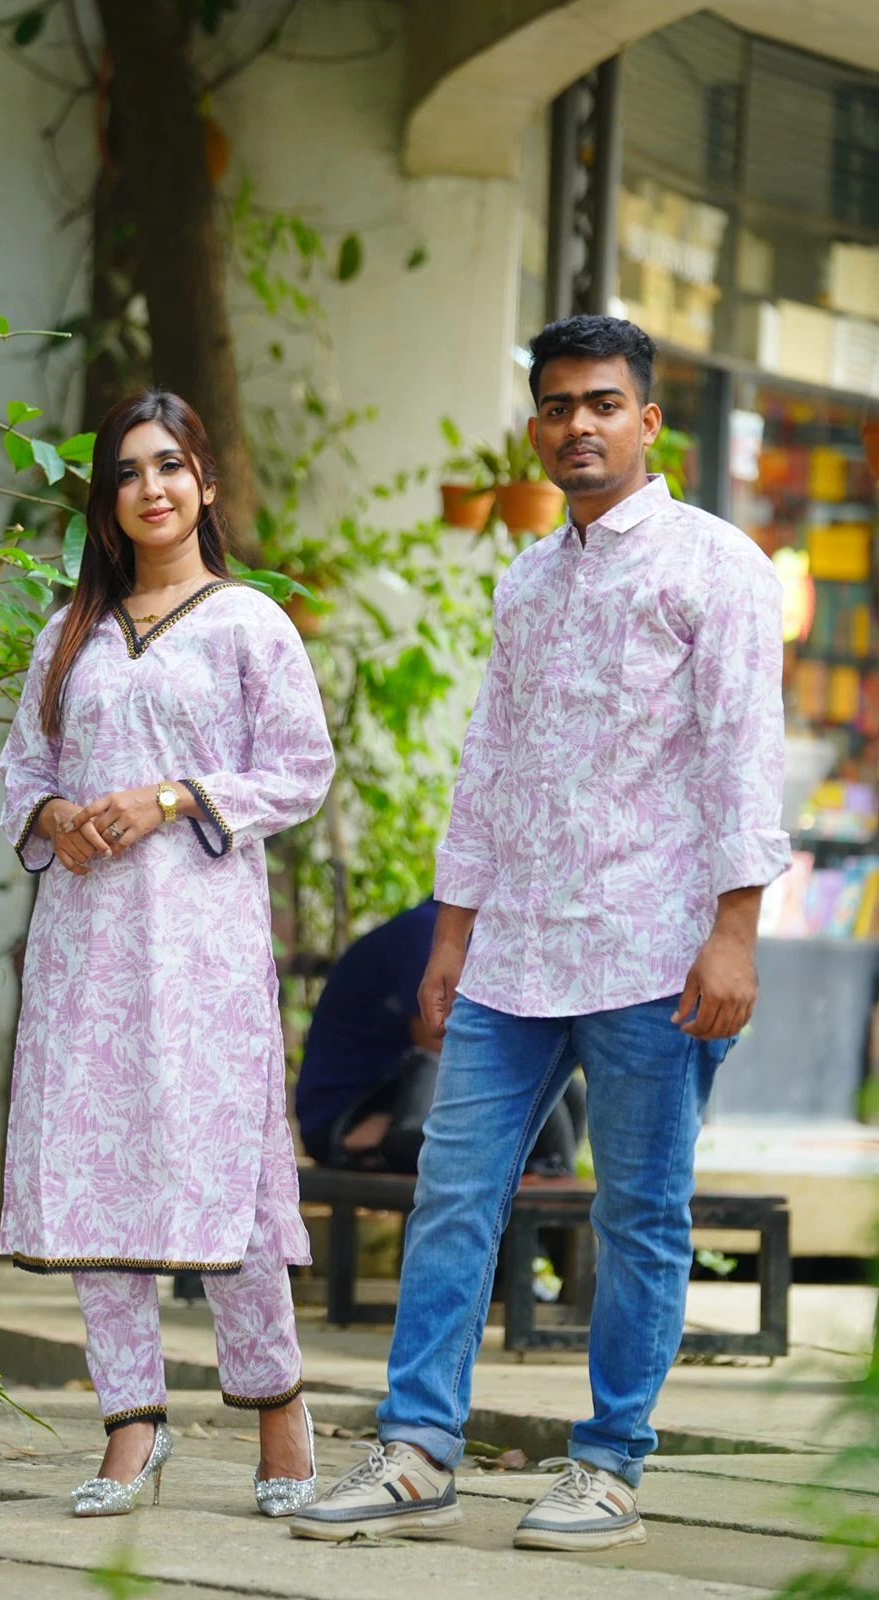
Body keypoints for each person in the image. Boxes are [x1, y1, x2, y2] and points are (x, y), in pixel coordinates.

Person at [291, 315, 790, 1551]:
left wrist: (733, 933)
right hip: (512, 955)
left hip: (653, 953)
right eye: (558, 405)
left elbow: (743, 756)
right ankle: (418, 1450)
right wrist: (450, 936)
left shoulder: (716, 564)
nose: (579, 425)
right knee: (453, 1196)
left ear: (647, 422)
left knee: (637, 1213)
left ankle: (608, 1463)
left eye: (603, 403)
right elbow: (489, 767)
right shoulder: (525, 578)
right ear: (536, 428)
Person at [0, 390, 335, 1519]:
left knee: (225, 1166)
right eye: (128, 472)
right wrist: (54, 816)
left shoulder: (249, 623)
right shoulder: (69, 633)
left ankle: (277, 1407)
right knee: (93, 1167)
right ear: (107, 500)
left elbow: (300, 770)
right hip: (85, 945)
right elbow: (23, 771)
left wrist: (173, 795)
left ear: (205, 483)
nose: (151, 488)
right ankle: (130, 1426)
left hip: (201, 947)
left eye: (170, 466)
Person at [295, 897, 584, 1179]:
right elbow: (442, 1047)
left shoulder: (481, 942)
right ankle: (394, 1141)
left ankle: (550, 1188)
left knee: (568, 1092)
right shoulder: (427, 935)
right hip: (342, 1118)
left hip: (400, 1096)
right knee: (496, 1076)